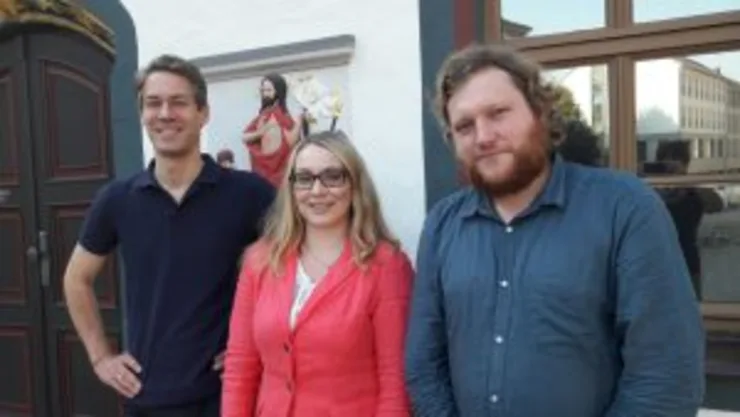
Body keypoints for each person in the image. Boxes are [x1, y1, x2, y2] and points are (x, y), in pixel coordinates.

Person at [404, 44, 705, 417]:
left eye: (498, 113)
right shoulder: (442, 225)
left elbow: (666, 376)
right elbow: (424, 363)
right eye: (464, 125)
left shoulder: (625, 209)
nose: (482, 136)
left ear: (540, 113)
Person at [62, 54, 275, 417]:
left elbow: (295, 268)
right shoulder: (117, 199)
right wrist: (101, 358)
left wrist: (257, 344)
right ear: (142, 113)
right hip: (146, 397)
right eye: (153, 103)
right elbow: (76, 279)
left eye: (178, 102)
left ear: (203, 113)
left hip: (228, 395)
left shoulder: (249, 193)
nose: (165, 114)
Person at [222, 130, 413, 417]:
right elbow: (241, 366)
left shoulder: (386, 266)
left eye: (333, 176)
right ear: (291, 188)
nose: (317, 190)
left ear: (355, 185)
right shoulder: (259, 261)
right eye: (304, 178)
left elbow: (395, 380)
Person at [242, 73, 305, 186]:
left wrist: (300, 121)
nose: (265, 94)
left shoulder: (283, 116)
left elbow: (291, 142)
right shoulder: (262, 117)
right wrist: (260, 132)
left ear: (278, 92)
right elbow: (245, 137)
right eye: (263, 90)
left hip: (279, 173)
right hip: (262, 171)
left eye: (269, 90)